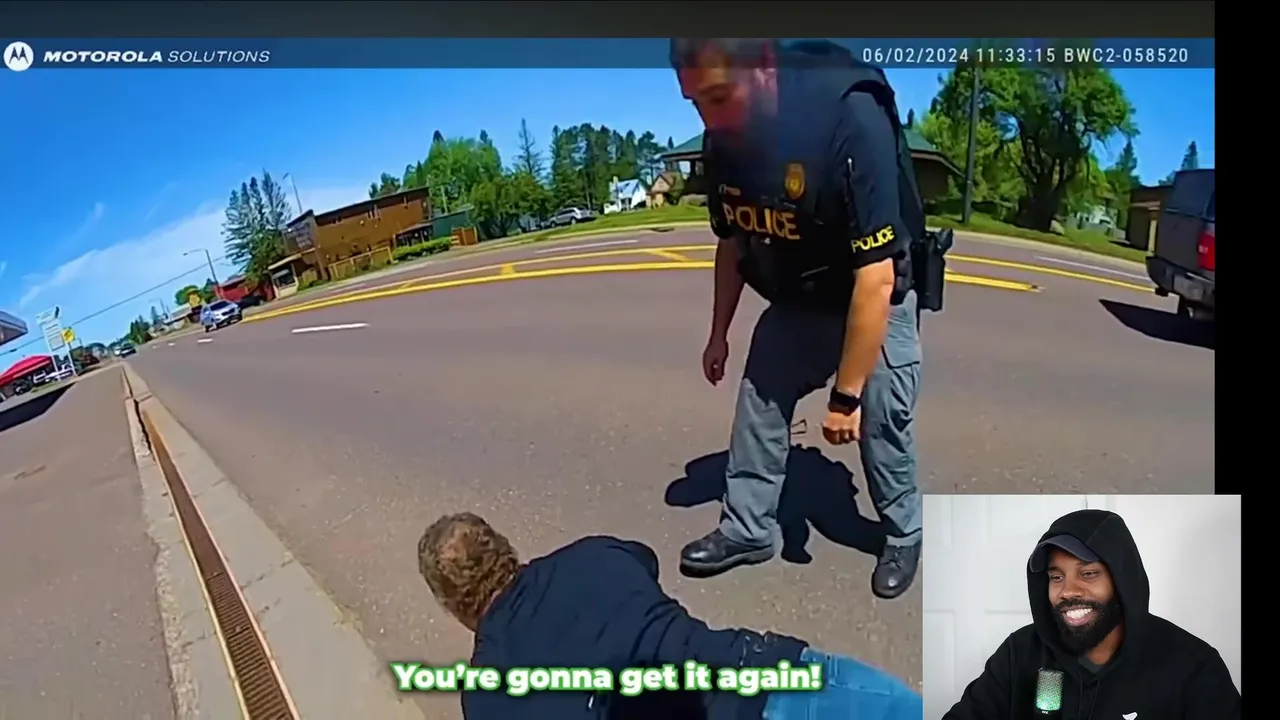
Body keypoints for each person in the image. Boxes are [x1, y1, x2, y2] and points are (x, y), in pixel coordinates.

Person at [671, 38, 940, 597]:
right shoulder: (724, 143)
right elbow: (733, 243)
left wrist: (846, 397)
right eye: (695, 104)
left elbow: (877, 277)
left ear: (766, 65)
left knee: (882, 419)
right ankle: (748, 529)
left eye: (718, 97)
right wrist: (718, 334)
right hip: (805, 290)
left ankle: (904, 531)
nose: (709, 120)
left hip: (874, 291)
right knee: (762, 388)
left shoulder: (849, 115)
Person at [417, 512, 921, 720]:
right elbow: (646, 561)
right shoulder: (593, 555)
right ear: (505, 549)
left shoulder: (484, 696)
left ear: (451, 603)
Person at [943, 508, 1242, 719]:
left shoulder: (1193, 667)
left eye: (1088, 573)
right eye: (1056, 577)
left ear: (1122, 581)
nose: (1068, 590)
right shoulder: (1020, 652)